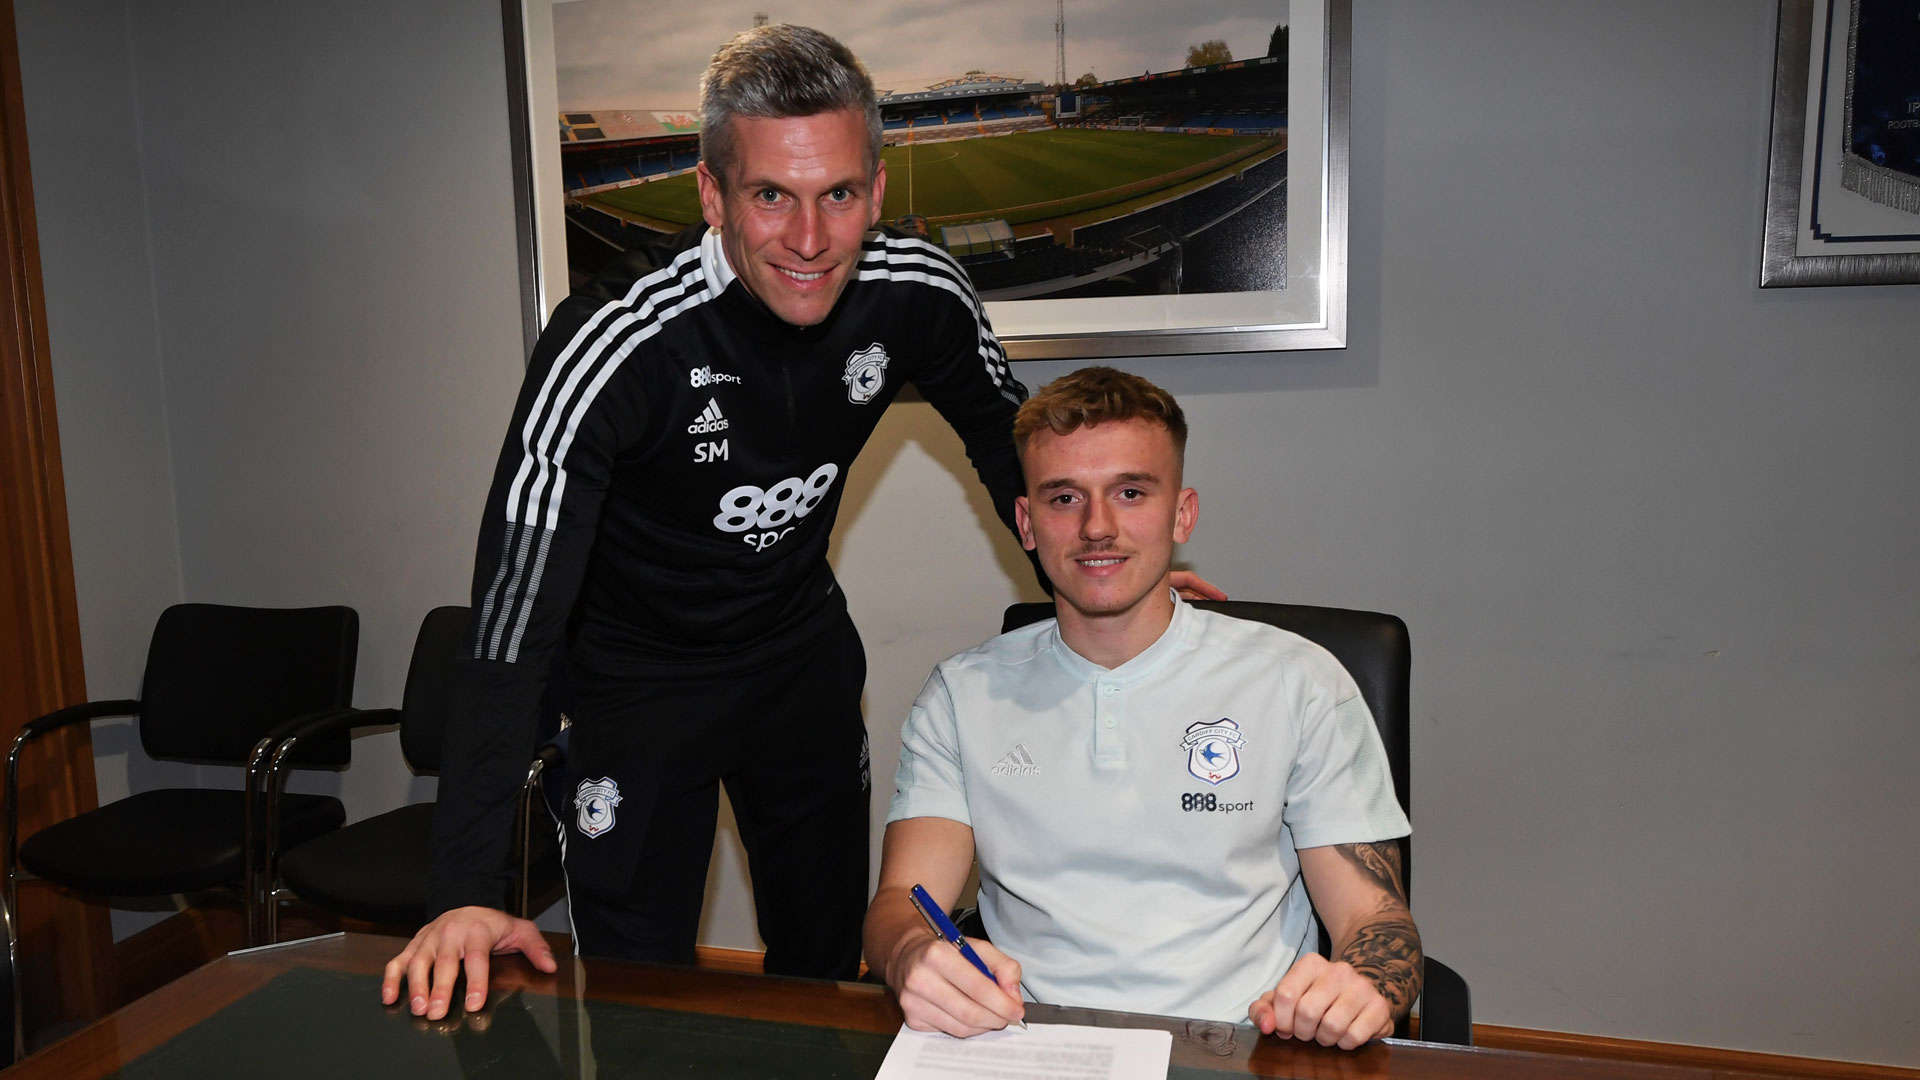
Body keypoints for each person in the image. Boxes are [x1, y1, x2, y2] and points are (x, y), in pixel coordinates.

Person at [382, 27, 1219, 1020]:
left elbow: (1019, 455)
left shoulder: (916, 293)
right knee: (644, 994)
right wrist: (468, 891)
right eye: (771, 195)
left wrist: (1115, 596)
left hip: (797, 664)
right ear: (712, 195)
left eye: (840, 195)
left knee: (824, 966)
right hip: (636, 688)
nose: (810, 239)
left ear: (877, 184)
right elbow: (511, 618)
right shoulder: (612, 342)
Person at [864, 367, 1421, 1048]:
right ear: (1026, 522)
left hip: (1244, 1046)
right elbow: (901, 904)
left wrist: (1362, 986)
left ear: (1181, 513)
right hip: (1027, 1042)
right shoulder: (961, 695)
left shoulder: (1298, 681)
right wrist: (910, 955)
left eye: (1130, 492)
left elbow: (1375, 918)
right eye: (1064, 497)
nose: (1098, 527)